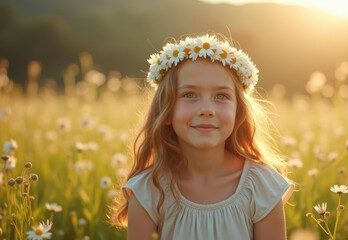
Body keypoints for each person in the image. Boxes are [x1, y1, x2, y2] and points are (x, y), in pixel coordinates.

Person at [110, 33, 293, 240]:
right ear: (167, 111)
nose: (207, 109)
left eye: (221, 96)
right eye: (189, 95)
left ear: (238, 113)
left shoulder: (262, 186)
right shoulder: (148, 191)